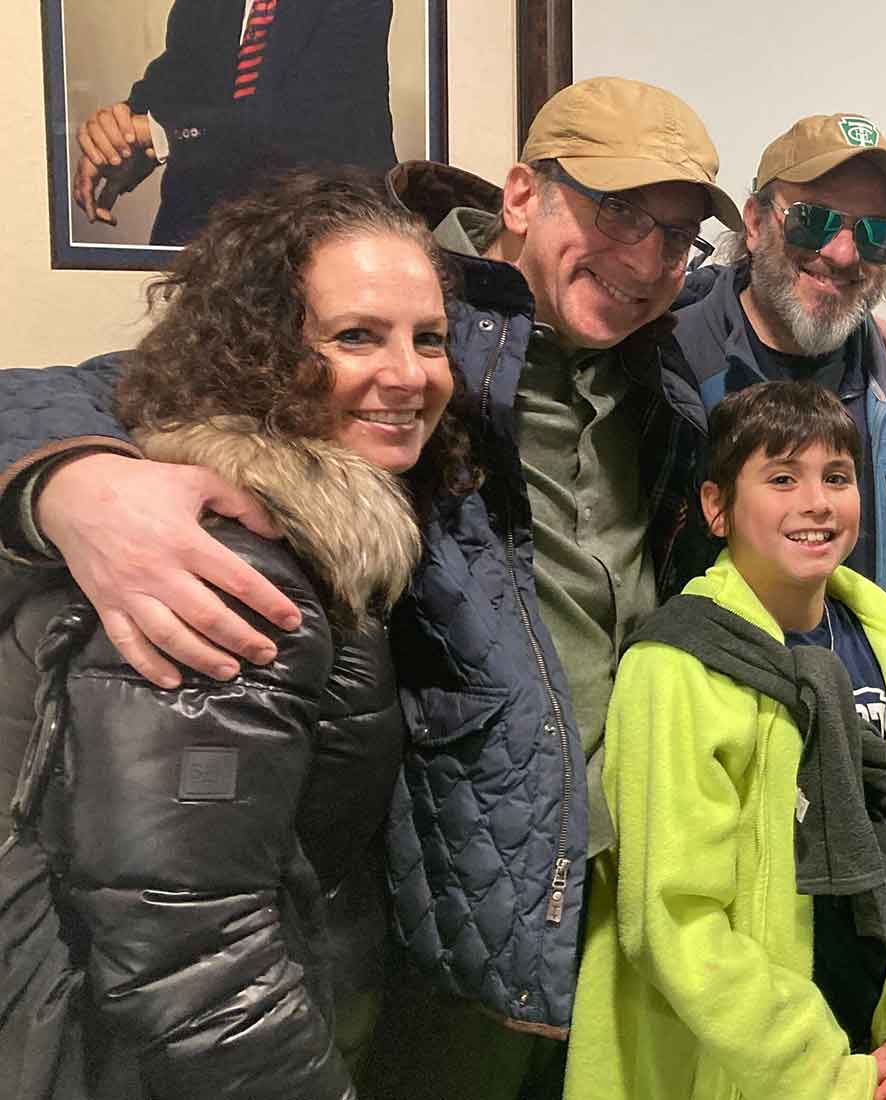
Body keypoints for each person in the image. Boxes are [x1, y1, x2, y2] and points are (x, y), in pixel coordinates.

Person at [5, 77, 732, 1096]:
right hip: (444, 921)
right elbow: (82, 386)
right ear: (523, 196)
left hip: (617, 889)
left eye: (675, 235)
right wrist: (72, 479)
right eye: (616, 212)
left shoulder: (663, 392)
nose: (645, 257)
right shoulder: (429, 325)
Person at [0, 168, 469, 1094]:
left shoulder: (347, 515)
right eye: (354, 337)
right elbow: (188, 950)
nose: (407, 374)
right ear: (255, 350)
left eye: (430, 339)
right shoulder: (228, 565)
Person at [565, 380, 886, 1100]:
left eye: (837, 477)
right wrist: (819, 1072)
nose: (817, 503)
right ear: (716, 506)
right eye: (782, 478)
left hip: (884, 1042)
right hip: (742, 1069)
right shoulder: (675, 669)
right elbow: (672, 919)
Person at [675, 113, 886, 652]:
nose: (844, 254)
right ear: (753, 222)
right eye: (813, 221)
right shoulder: (671, 368)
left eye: (877, 234)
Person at [71, 0, 400, 245]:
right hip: (203, 242)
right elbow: (171, 86)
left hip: (322, 238)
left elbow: (306, 121)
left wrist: (159, 134)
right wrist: (115, 134)